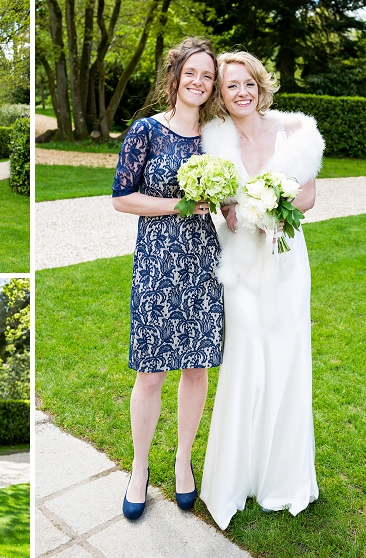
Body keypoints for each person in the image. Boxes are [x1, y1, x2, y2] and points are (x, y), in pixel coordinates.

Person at [199, 51, 322, 530]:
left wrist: (272, 210)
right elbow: (221, 205)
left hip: (287, 259)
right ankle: (236, 476)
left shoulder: (294, 132)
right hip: (240, 262)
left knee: (288, 358)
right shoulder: (216, 140)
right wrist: (236, 213)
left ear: (260, 85)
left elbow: (307, 196)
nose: (242, 92)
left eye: (248, 82)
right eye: (231, 86)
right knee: (246, 357)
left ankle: (282, 476)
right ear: (221, 96)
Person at [111, 38, 223, 520]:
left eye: (208, 76)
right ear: (175, 76)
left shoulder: (219, 137)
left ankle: (182, 460)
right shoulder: (146, 131)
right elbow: (121, 198)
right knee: (151, 371)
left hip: (203, 262)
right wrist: (177, 205)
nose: (199, 83)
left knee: (196, 367)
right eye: (192, 73)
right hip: (157, 260)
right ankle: (139, 468)